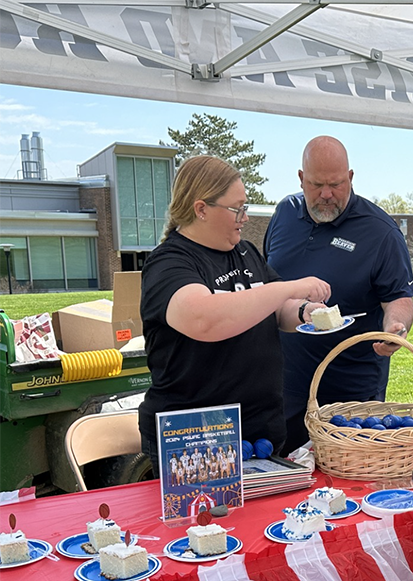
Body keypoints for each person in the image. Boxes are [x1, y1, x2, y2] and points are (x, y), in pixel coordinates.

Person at [139, 156, 331, 465]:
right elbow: (204, 319)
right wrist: (288, 288)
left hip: (259, 430)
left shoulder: (245, 251)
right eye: (236, 209)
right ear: (201, 209)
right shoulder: (169, 262)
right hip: (195, 438)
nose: (244, 218)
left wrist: (304, 311)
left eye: (246, 207)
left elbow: (275, 308)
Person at [265, 136, 413, 453]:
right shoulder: (284, 215)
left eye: (336, 184)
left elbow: (399, 299)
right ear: (301, 179)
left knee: (346, 481)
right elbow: (269, 284)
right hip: (284, 384)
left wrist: (395, 329)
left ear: (350, 178)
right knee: (284, 475)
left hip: (350, 391)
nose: (327, 195)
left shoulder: (380, 232)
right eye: (317, 185)